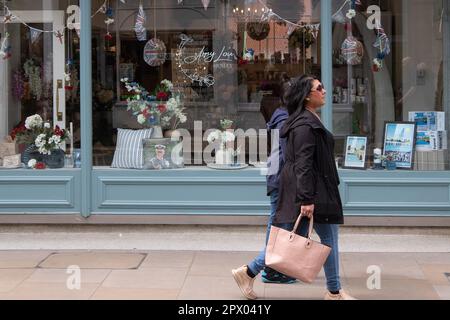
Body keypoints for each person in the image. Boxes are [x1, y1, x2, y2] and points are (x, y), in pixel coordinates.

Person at [276, 75, 356, 300]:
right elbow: (303, 164)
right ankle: (334, 292)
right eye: (319, 88)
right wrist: (307, 199)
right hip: (314, 192)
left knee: (299, 240)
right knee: (324, 240)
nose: (324, 90)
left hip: (318, 189)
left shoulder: (310, 118)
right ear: (307, 96)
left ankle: (249, 271)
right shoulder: (304, 124)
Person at [232, 75, 296, 301]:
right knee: (278, 228)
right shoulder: (285, 119)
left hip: (279, 177)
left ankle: (274, 268)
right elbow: (288, 154)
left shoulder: (282, 116)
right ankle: (258, 269)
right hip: (281, 179)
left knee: (280, 227)